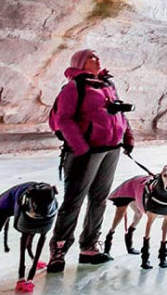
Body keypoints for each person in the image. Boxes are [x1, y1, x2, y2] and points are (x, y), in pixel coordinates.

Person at [45, 49, 134, 272]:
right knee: (74, 200)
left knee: (99, 198)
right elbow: (64, 119)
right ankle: (59, 249)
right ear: (81, 63)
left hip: (110, 149)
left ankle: (89, 247)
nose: (97, 59)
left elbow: (119, 114)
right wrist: (81, 147)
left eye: (97, 56)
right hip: (85, 152)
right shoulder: (74, 87)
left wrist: (128, 136)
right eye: (91, 57)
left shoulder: (107, 85)